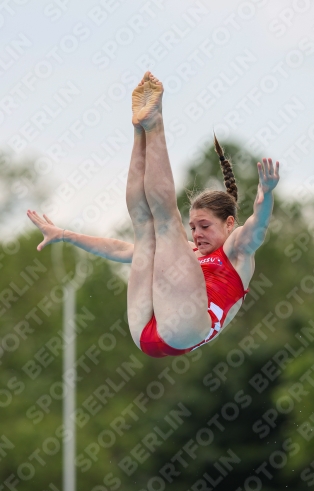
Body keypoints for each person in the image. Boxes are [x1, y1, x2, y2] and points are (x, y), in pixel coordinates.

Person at [27, 71, 279, 358]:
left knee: (166, 222)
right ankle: (140, 129)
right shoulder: (189, 252)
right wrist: (65, 235)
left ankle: (155, 123)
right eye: (194, 226)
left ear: (229, 223)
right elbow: (122, 250)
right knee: (145, 230)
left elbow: (258, 226)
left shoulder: (237, 251)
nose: (196, 234)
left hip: (184, 328)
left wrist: (267, 194)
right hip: (147, 333)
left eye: (205, 226)